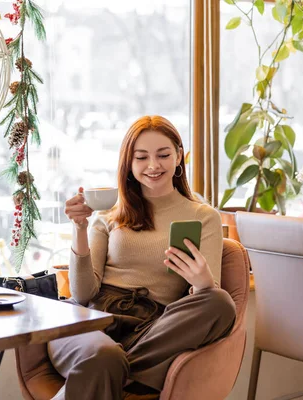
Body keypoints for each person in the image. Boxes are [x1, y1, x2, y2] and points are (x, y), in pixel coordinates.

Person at [48, 115, 236, 400]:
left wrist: (204, 283)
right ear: (129, 163)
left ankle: (109, 372)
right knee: (103, 356)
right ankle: (119, 371)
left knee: (220, 302)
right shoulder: (108, 214)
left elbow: (204, 305)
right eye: (142, 157)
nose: (153, 166)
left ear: (178, 158)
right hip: (91, 321)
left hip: (153, 329)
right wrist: (80, 229)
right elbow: (83, 293)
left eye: (163, 155)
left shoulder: (202, 216)